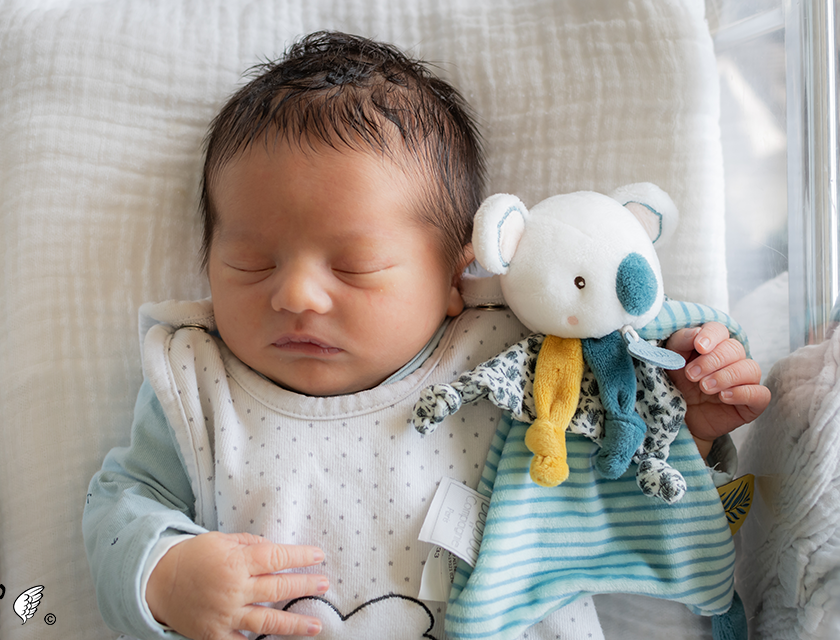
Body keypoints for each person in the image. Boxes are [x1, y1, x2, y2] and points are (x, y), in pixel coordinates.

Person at [82, 31, 770, 640]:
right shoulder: (201, 386)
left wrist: (687, 421)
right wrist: (167, 574)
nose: (294, 295)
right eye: (251, 263)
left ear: (455, 277)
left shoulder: (511, 364)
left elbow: (614, 484)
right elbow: (120, 505)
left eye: (353, 267)